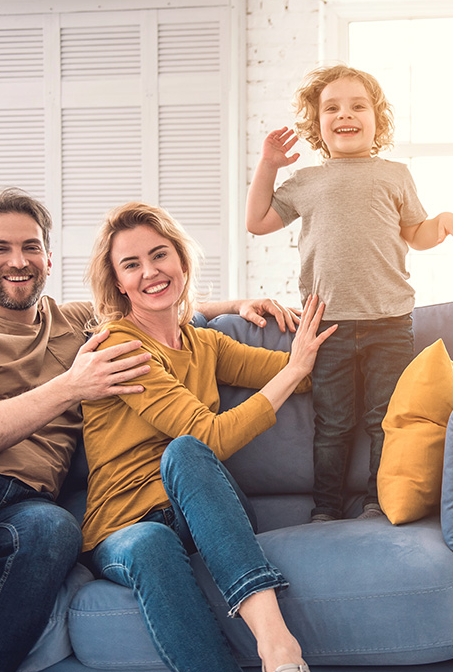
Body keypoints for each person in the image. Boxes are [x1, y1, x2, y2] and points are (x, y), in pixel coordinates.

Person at [0, 187, 303, 672]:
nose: (17, 260)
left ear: (47, 259)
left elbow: (154, 303)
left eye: (30, 248)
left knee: (57, 531)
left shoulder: (76, 322)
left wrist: (242, 303)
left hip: (29, 497)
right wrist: (71, 386)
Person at [80, 201, 336, 672]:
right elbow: (208, 437)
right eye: (131, 264)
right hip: (123, 526)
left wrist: (353, 351)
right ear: (118, 283)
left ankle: (276, 644)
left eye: (159, 256)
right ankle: (275, 648)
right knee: (160, 518)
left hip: (206, 513)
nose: (150, 272)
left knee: (185, 454)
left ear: (180, 260)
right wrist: (295, 369)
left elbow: (297, 375)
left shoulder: (206, 343)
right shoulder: (119, 348)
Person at [245, 63, 453, 522]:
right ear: (317, 124)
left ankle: (376, 501)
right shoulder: (306, 182)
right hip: (326, 326)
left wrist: (443, 221)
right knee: (332, 424)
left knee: (382, 419)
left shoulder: (394, 175)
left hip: (388, 322)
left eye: (357, 106)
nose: (344, 115)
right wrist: (269, 165)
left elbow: (416, 233)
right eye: (331, 108)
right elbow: (257, 221)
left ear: (377, 119)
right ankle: (326, 509)